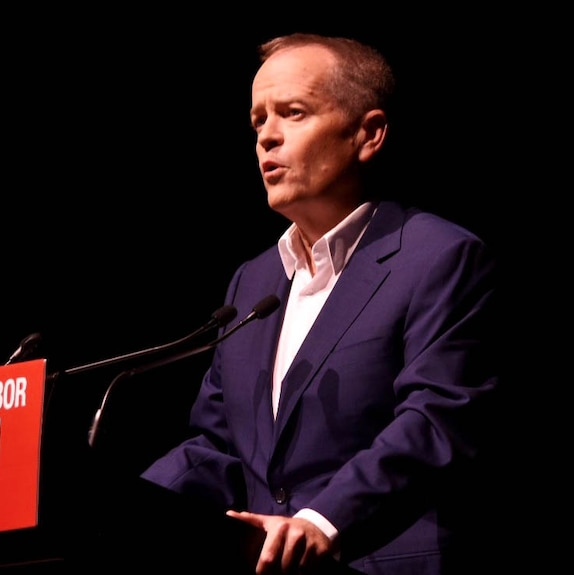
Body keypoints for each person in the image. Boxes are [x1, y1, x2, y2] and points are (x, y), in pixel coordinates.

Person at [139, 32, 504, 575]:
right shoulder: (252, 282)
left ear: (369, 134)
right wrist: (119, 507)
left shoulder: (439, 257)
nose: (267, 138)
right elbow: (218, 444)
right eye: (258, 120)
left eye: (293, 113)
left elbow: (437, 418)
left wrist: (323, 519)